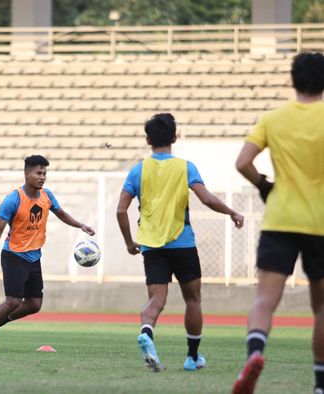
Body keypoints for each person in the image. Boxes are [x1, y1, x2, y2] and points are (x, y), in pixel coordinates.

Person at [116, 113, 244, 372]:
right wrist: (232, 212)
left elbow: (120, 210)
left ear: (148, 139)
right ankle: (192, 357)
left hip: (151, 245)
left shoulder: (139, 169)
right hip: (182, 243)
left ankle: (146, 331)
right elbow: (207, 199)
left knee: (156, 301)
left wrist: (130, 242)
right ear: (174, 138)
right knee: (193, 300)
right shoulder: (185, 167)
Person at [232, 52, 324, 394]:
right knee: (321, 309)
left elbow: (242, 162)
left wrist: (264, 185)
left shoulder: (274, 118)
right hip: (320, 223)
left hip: (280, 219)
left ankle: (255, 354)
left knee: (265, 300)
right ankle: (319, 385)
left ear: (293, 79)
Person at [0, 155, 95, 352]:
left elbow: (62, 213)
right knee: (13, 301)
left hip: (34, 257)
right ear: (27, 173)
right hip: (14, 256)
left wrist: (80, 225)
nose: (42, 177)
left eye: (45, 173)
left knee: (33, 304)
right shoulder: (13, 199)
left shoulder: (47, 196)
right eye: (39, 173)